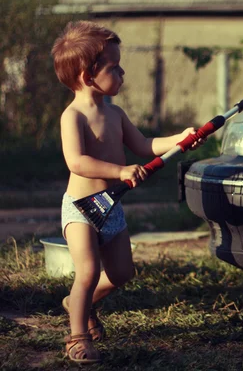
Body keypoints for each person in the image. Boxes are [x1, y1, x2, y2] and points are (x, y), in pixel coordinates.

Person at [51, 20, 204, 364]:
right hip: (81, 208)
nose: (122, 73)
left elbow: (145, 145)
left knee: (122, 274)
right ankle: (77, 337)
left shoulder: (115, 114)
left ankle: (80, 302)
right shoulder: (72, 116)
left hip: (111, 208)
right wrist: (119, 171)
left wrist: (182, 138)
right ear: (88, 74)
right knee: (88, 272)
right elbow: (77, 162)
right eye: (114, 67)